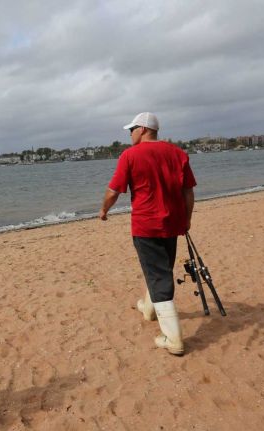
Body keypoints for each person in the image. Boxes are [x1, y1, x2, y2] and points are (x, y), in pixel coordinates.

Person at [99, 112, 196, 356]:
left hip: (146, 225)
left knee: (158, 274)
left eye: (131, 130)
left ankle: (173, 338)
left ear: (142, 129)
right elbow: (188, 193)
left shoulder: (130, 155)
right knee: (159, 269)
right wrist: (187, 219)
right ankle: (149, 309)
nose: (129, 134)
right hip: (173, 224)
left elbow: (113, 191)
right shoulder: (178, 153)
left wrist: (103, 210)